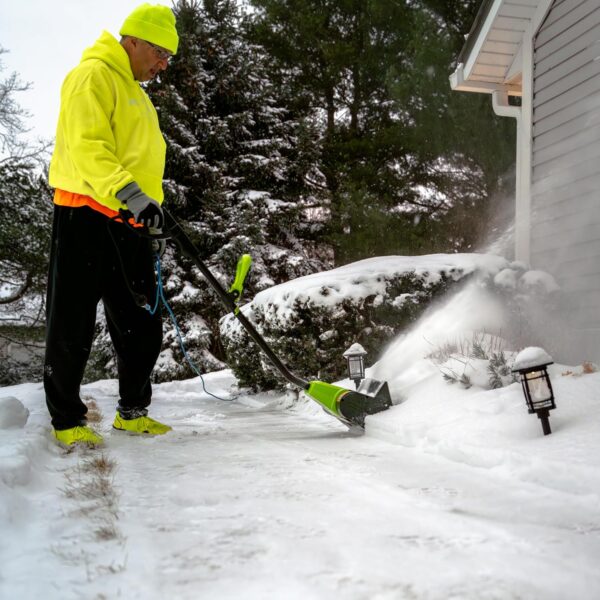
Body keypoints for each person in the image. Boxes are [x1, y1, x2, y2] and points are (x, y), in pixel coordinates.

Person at [44, 4, 179, 447]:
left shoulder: (137, 93)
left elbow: (140, 160)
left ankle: (133, 411)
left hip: (127, 218)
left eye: (168, 58)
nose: (162, 64)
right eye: (159, 53)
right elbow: (88, 147)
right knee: (73, 320)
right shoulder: (93, 76)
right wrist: (134, 196)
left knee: (142, 319)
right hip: (85, 212)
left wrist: (150, 210)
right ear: (133, 41)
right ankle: (67, 421)